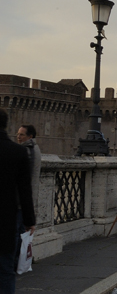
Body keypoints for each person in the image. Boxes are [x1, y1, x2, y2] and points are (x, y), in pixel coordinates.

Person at [0, 109, 35, 294]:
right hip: (5, 221)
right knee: (6, 271)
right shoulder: (18, 152)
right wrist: (30, 221)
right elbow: (25, 190)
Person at [14, 124, 41, 269]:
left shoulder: (27, 150)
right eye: (18, 134)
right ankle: (19, 264)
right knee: (22, 236)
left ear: (30, 137)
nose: (18, 137)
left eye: (22, 135)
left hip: (20, 201)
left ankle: (15, 264)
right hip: (27, 200)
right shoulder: (35, 149)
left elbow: (23, 178)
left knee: (18, 236)